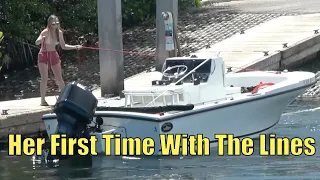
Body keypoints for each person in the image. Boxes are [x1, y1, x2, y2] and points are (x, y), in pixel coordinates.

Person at [35, 15, 82, 106]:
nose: (55, 25)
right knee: (44, 77)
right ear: (49, 24)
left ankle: (64, 98)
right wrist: (41, 39)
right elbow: (36, 42)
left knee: (59, 78)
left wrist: (75, 47)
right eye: (53, 23)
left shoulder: (59, 33)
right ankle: (43, 100)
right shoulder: (45, 32)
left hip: (53, 54)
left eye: (57, 23)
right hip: (43, 54)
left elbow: (63, 46)